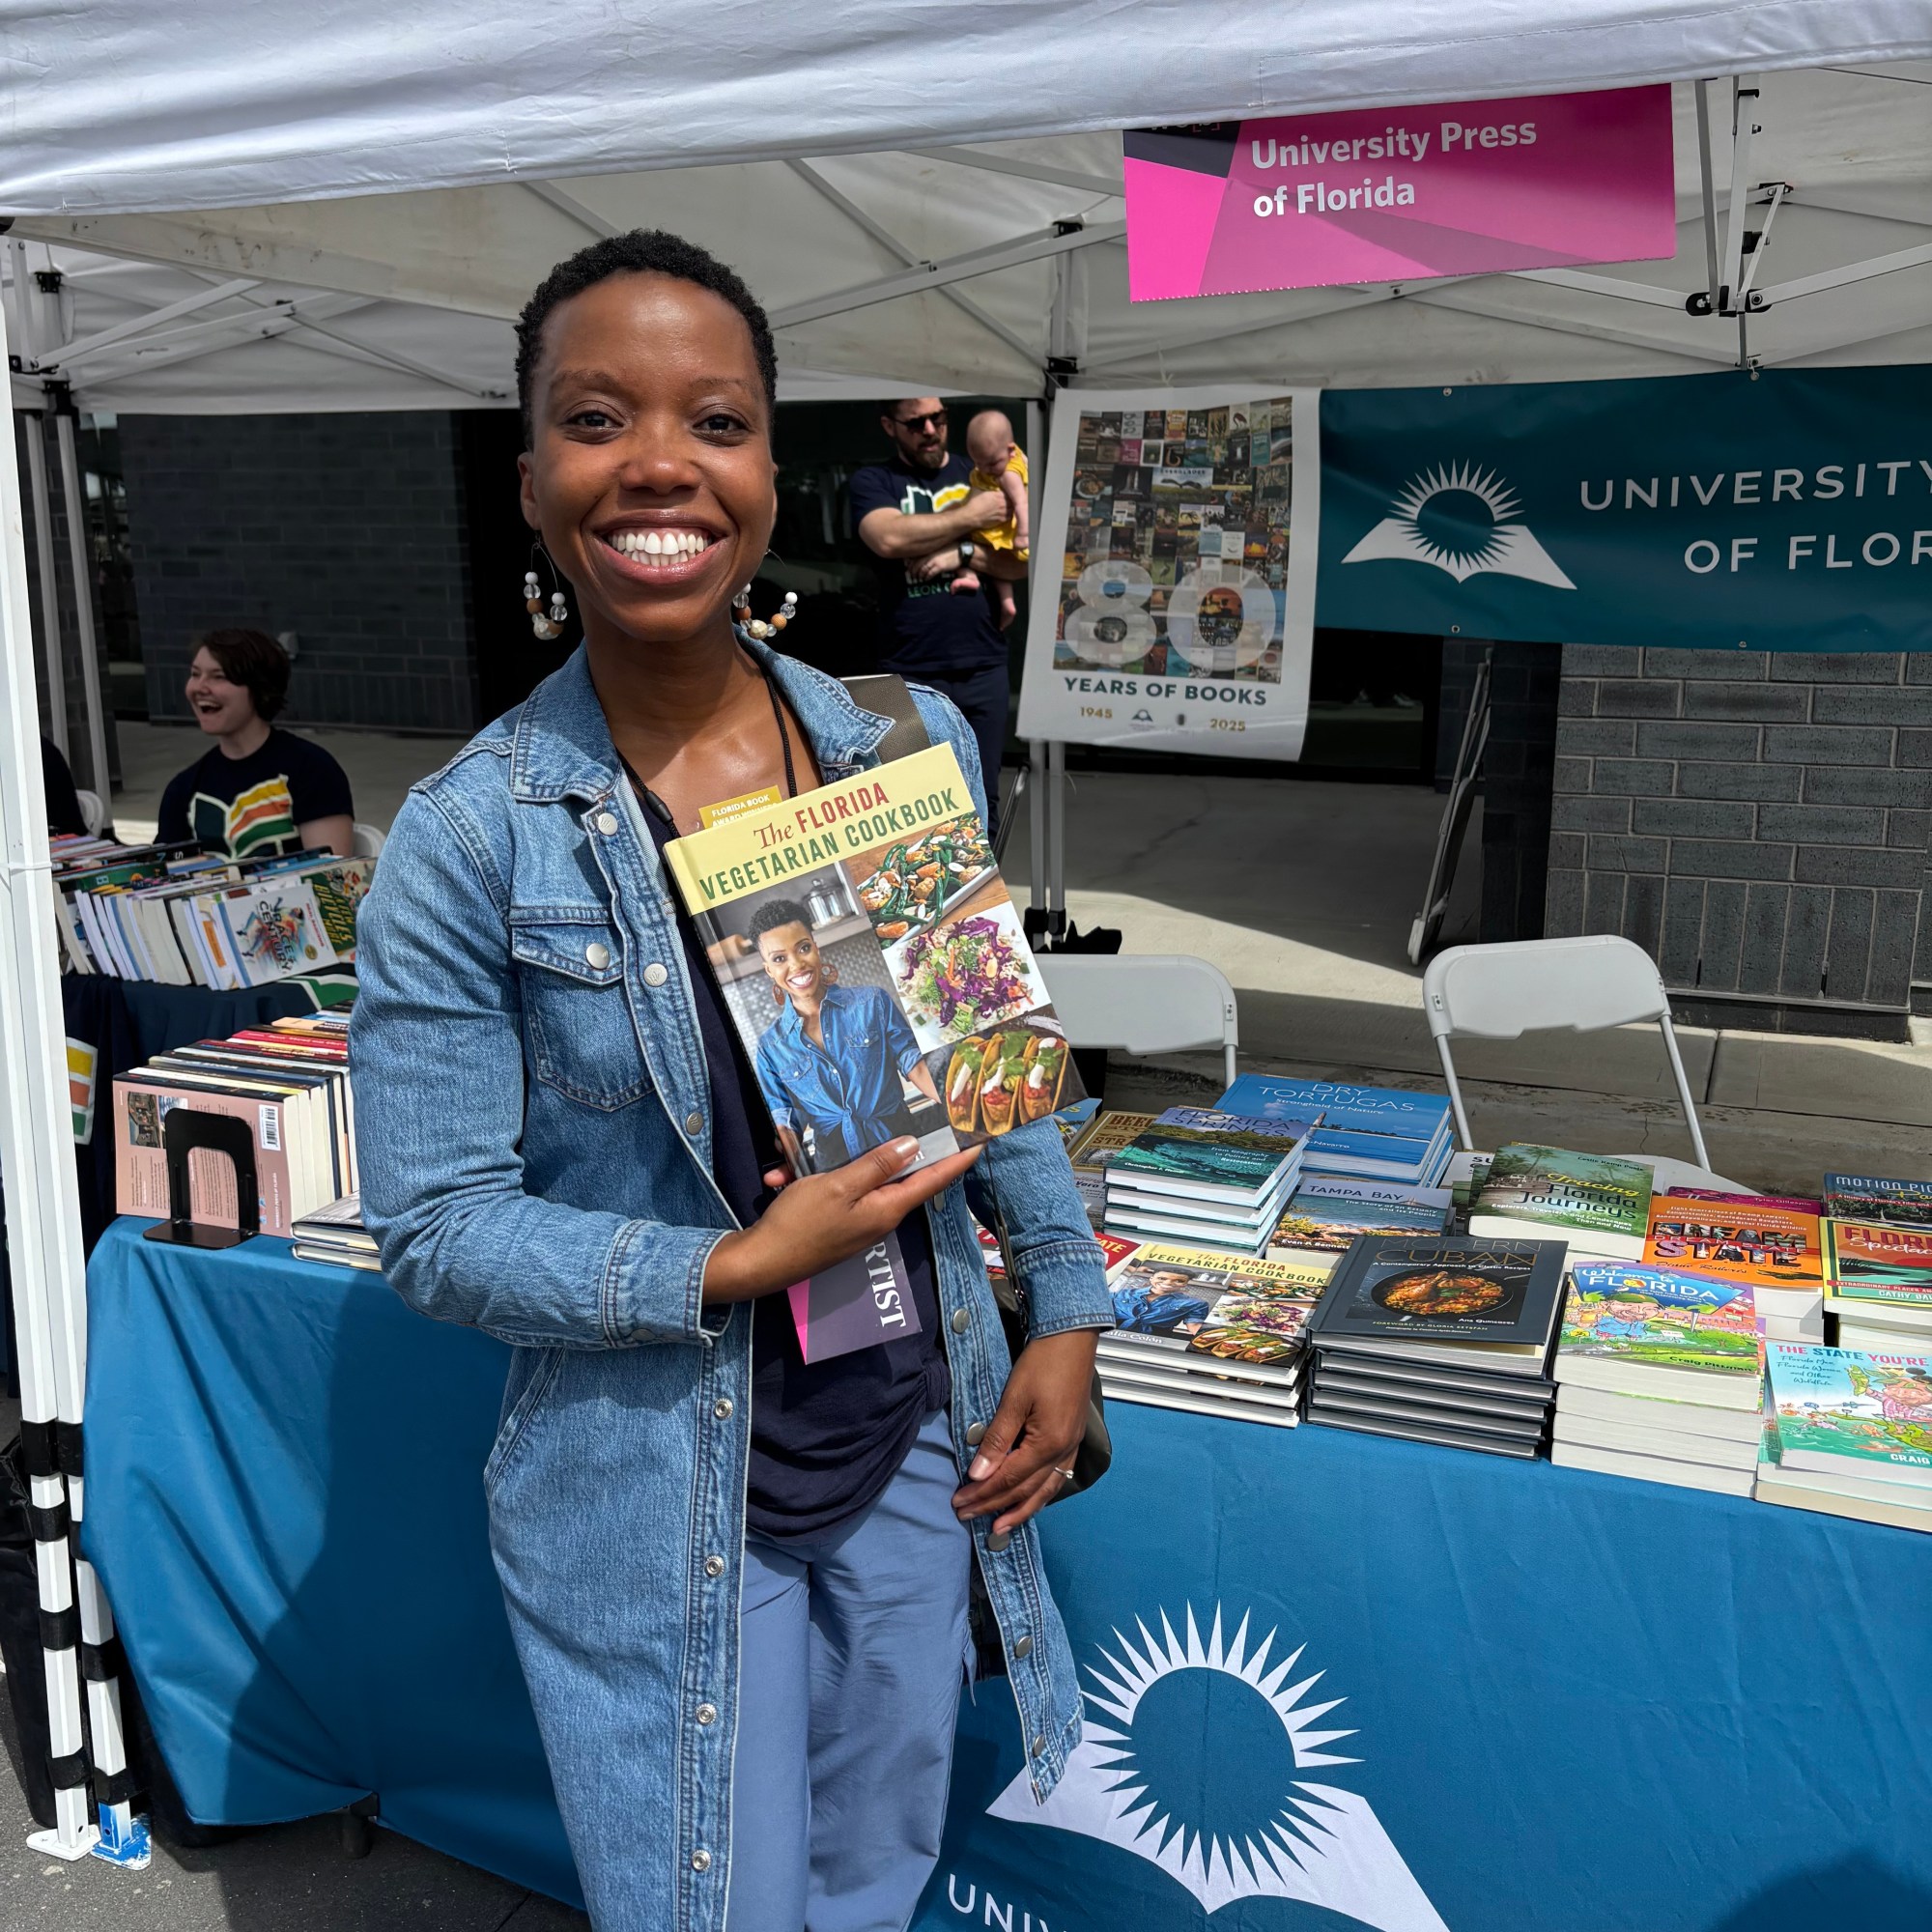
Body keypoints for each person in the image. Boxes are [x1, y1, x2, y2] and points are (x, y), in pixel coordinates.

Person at [349, 230, 1111, 1932]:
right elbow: (436, 1228)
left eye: (717, 420)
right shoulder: (473, 839)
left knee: (875, 1881)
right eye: (596, 419)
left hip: (911, 1437)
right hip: (659, 1489)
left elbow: (986, 1063)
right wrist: (732, 1265)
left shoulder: (896, 742)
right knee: (719, 1906)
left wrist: (1063, 1310)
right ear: (532, 482)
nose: (660, 466)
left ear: (770, 472)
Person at [849, 401, 1025, 827]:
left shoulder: (979, 469)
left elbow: (1017, 563)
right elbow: (888, 538)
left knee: (982, 800)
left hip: (982, 664)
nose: (930, 429)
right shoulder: (874, 480)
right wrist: (972, 516)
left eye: (939, 419)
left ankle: (986, 876)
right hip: (904, 670)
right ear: (889, 425)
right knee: (913, 808)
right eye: (915, 422)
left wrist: (960, 553)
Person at [748, 895, 941, 1171]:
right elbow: (786, 1121)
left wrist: (962, 1105)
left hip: (902, 1145)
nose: (797, 965)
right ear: (769, 970)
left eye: (803, 948)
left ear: (816, 948)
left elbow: (915, 1065)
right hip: (836, 1169)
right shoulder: (770, 1046)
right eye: (780, 959)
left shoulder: (872, 1002)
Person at [156, 629, 354, 858]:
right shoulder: (183, 788)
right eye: (195, 674)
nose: (199, 688)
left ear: (259, 689)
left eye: (218, 676)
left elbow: (333, 873)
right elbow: (162, 871)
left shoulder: (311, 769)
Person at [956, 409, 1031, 632]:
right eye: (977, 463)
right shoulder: (1003, 459)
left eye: (990, 464)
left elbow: (1022, 503)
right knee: (997, 569)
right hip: (998, 528)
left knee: (960, 537)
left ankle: (970, 575)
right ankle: (1007, 603)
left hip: (1004, 530)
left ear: (1010, 450)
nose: (984, 470)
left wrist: (1023, 534)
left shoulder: (1008, 474)